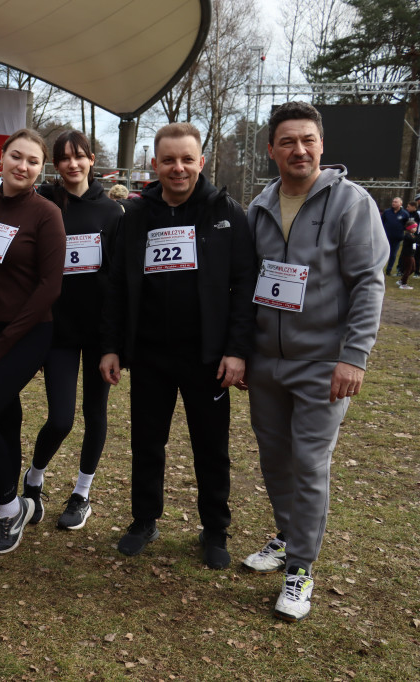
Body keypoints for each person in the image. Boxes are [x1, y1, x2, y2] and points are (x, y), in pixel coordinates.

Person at [243, 101, 388, 622]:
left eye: (307, 140)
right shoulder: (259, 207)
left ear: (321, 145)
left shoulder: (351, 203)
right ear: (272, 150)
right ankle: (287, 536)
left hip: (324, 364)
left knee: (308, 463)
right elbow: (244, 286)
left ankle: (301, 567)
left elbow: (370, 282)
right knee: (274, 460)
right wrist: (242, 352)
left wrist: (354, 357)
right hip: (266, 363)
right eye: (287, 142)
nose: (298, 150)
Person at [100, 122, 255, 569]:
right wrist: (111, 346)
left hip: (207, 356)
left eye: (187, 159)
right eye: (169, 160)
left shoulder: (227, 214)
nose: (178, 168)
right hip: (149, 354)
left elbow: (244, 286)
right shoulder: (135, 216)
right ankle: (144, 520)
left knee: (211, 446)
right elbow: (115, 286)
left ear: (201, 162)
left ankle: (215, 529)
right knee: (147, 441)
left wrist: (236, 349)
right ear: (155, 164)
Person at [0, 129, 65, 554]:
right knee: (4, 418)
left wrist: (2, 343)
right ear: (1, 158)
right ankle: (8, 504)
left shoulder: (46, 213)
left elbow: (50, 286)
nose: (23, 166)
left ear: (42, 168)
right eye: (16, 156)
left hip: (26, 332)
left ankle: (10, 508)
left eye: (33, 161)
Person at [25, 131, 122, 531]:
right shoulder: (46, 205)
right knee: (61, 418)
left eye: (79, 157)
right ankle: (33, 479)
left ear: (91, 159)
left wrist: (115, 340)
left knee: (95, 414)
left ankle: (81, 494)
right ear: (55, 164)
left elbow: (118, 280)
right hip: (59, 331)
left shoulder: (113, 212)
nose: (72, 164)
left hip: (99, 335)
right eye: (64, 158)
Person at [381, 197, 408, 275]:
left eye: (396, 202)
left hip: (397, 238)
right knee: (383, 253)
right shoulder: (387, 212)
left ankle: (389, 270)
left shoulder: (404, 214)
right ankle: (380, 269)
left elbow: (407, 225)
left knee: (393, 254)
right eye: (393, 201)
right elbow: (381, 222)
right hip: (385, 237)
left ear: (400, 204)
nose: (393, 203)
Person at [400, 221, 418, 289]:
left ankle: (402, 280)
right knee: (408, 269)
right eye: (414, 227)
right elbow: (414, 241)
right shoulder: (407, 236)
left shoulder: (412, 235)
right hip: (407, 255)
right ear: (409, 228)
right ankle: (404, 284)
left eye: (416, 227)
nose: (415, 229)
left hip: (411, 254)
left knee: (413, 269)